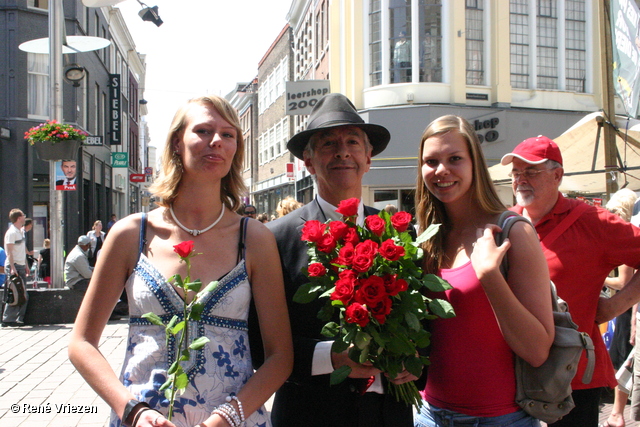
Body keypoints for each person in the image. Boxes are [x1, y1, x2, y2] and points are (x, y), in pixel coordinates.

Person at [68, 94, 292, 427]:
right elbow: (81, 342)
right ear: (177, 142)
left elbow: (280, 356)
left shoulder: (254, 239)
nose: (216, 140)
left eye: (228, 134)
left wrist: (226, 418)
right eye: (202, 130)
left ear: (236, 149)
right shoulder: (132, 234)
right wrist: (132, 410)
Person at [252, 93, 416, 427]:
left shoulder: (399, 234)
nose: (342, 151)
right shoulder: (274, 240)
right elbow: (257, 343)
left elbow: (424, 323)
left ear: (368, 158)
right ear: (308, 162)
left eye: (353, 142)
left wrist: (415, 361)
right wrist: (330, 357)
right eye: (328, 143)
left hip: (389, 416)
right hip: (309, 414)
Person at [413, 116, 554, 427]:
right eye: (431, 161)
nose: (441, 170)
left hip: (499, 420)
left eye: (455, 159)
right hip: (428, 416)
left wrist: (490, 277)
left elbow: (537, 350)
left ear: (475, 163)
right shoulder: (425, 238)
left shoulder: (513, 233)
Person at [500, 135, 640, 427]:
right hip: (507, 375)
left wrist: (616, 306)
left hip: (569, 378)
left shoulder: (592, 221)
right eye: (515, 173)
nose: (520, 180)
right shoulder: (504, 223)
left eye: (531, 171)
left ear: (558, 175)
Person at [602, 189, 639, 427]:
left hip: (624, 307)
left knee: (624, 357)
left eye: (615, 212)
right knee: (628, 359)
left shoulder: (628, 241)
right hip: (628, 308)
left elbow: (624, 282)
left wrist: (601, 279)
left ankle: (616, 411)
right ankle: (616, 412)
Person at [3, 208, 29, 326]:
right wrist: (12, 267)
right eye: (23, 215)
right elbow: (9, 252)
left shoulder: (21, 231)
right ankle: (9, 319)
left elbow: (22, 250)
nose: (25, 217)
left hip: (21, 265)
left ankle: (18, 319)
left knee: (22, 294)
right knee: (15, 293)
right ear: (19, 218)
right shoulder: (11, 233)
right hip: (14, 266)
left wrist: (26, 265)